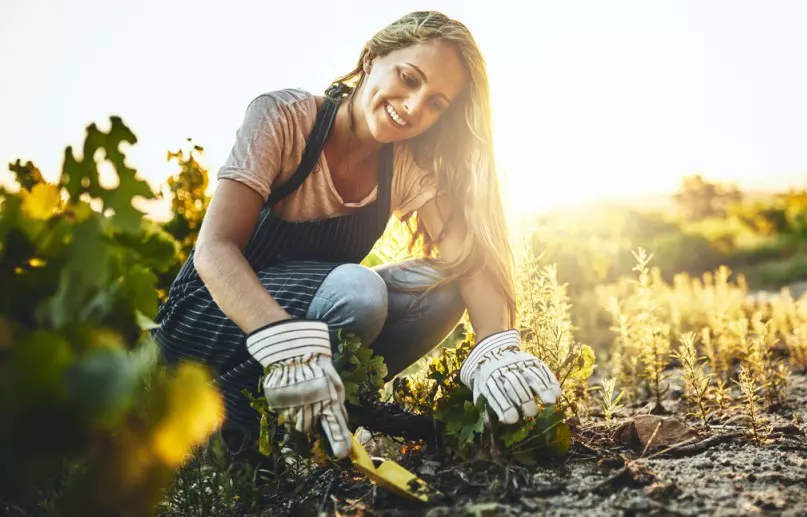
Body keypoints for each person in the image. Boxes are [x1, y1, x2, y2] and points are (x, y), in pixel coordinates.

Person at [152, 10, 562, 463]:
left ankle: (305, 434)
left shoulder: (405, 164)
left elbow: (467, 258)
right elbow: (215, 250)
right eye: (409, 78)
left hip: (300, 337)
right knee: (358, 292)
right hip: (200, 324)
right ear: (371, 58)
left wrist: (496, 345)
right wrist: (286, 343)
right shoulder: (284, 118)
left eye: (436, 103)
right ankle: (227, 437)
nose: (413, 106)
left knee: (442, 290)